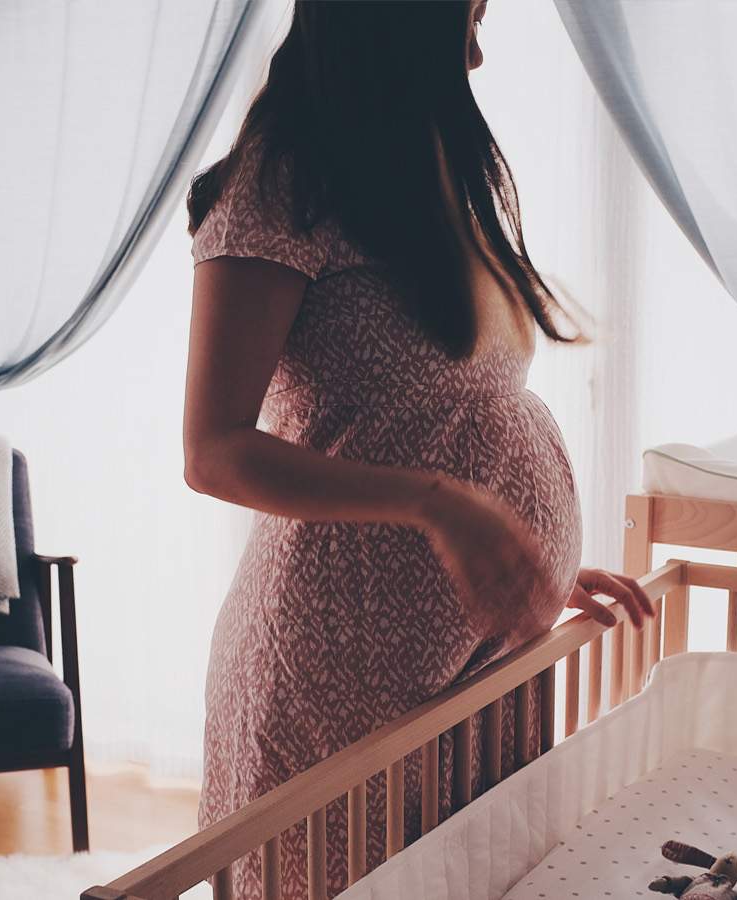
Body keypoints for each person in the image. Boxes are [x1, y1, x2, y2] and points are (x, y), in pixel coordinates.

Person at [182, 2, 652, 895]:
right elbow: (212, 451)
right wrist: (440, 505)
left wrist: (523, 563)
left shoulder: (436, 170)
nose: (478, 49)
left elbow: (453, 411)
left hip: (473, 672)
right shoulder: (282, 182)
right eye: (466, 17)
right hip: (339, 681)